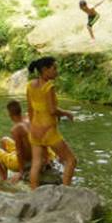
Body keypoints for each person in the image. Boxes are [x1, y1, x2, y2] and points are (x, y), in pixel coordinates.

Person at [26, 56, 78, 188]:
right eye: (54, 68)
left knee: (36, 164)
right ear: (45, 70)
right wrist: (66, 113)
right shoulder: (49, 86)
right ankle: (65, 191)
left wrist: (32, 127)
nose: (56, 71)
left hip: (35, 131)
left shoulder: (30, 85)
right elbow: (52, 110)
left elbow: (30, 109)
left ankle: (33, 192)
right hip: (48, 131)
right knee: (71, 160)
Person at [0, 100, 57, 182]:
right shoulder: (30, 118)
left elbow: (19, 152)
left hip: (27, 161)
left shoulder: (16, 129)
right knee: (4, 140)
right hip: (41, 155)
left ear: (9, 114)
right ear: (20, 111)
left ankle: (3, 179)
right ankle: (5, 168)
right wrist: (47, 158)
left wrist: (21, 172)